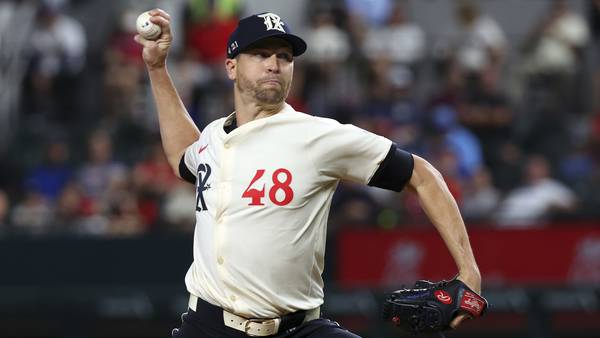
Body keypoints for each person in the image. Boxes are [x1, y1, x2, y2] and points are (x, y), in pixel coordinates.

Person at [135, 9, 482, 338]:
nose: (274, 64)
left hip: (296, 328)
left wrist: (469, 271)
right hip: (207, 326)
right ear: (231, 66)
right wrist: (157, 68)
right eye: (260, 53)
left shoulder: (317, 136)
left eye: (285, 57)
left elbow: (422, 175)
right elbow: (183, 156)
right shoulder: (213, 137)